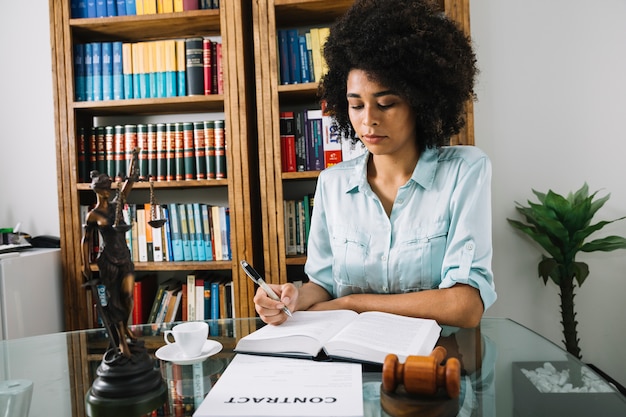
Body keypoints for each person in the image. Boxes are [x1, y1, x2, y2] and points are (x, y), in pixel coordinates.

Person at [255, 0, 496, 328]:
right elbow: (322, 286)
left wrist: (354, 304)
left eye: (386, 103)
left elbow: (465, 305)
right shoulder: (332, 183)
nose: (368, 120)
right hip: (348, 361)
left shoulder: (464, 171)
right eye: (356, 105)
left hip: (434, 362)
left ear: (421, 102)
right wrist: (291, 297)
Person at [81, 148, 139, 359]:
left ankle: (125, 328)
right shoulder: (93, 215)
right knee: (114, 300)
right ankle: (122, 339)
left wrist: (134, 159)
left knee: (128, 296)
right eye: (102, 189)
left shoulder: (117, 204)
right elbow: (85, 240)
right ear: (96, 190)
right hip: (109, 261)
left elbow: (130, 181)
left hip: (125, 256)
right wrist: (85, 264)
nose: (106, 192)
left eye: (108, 188)